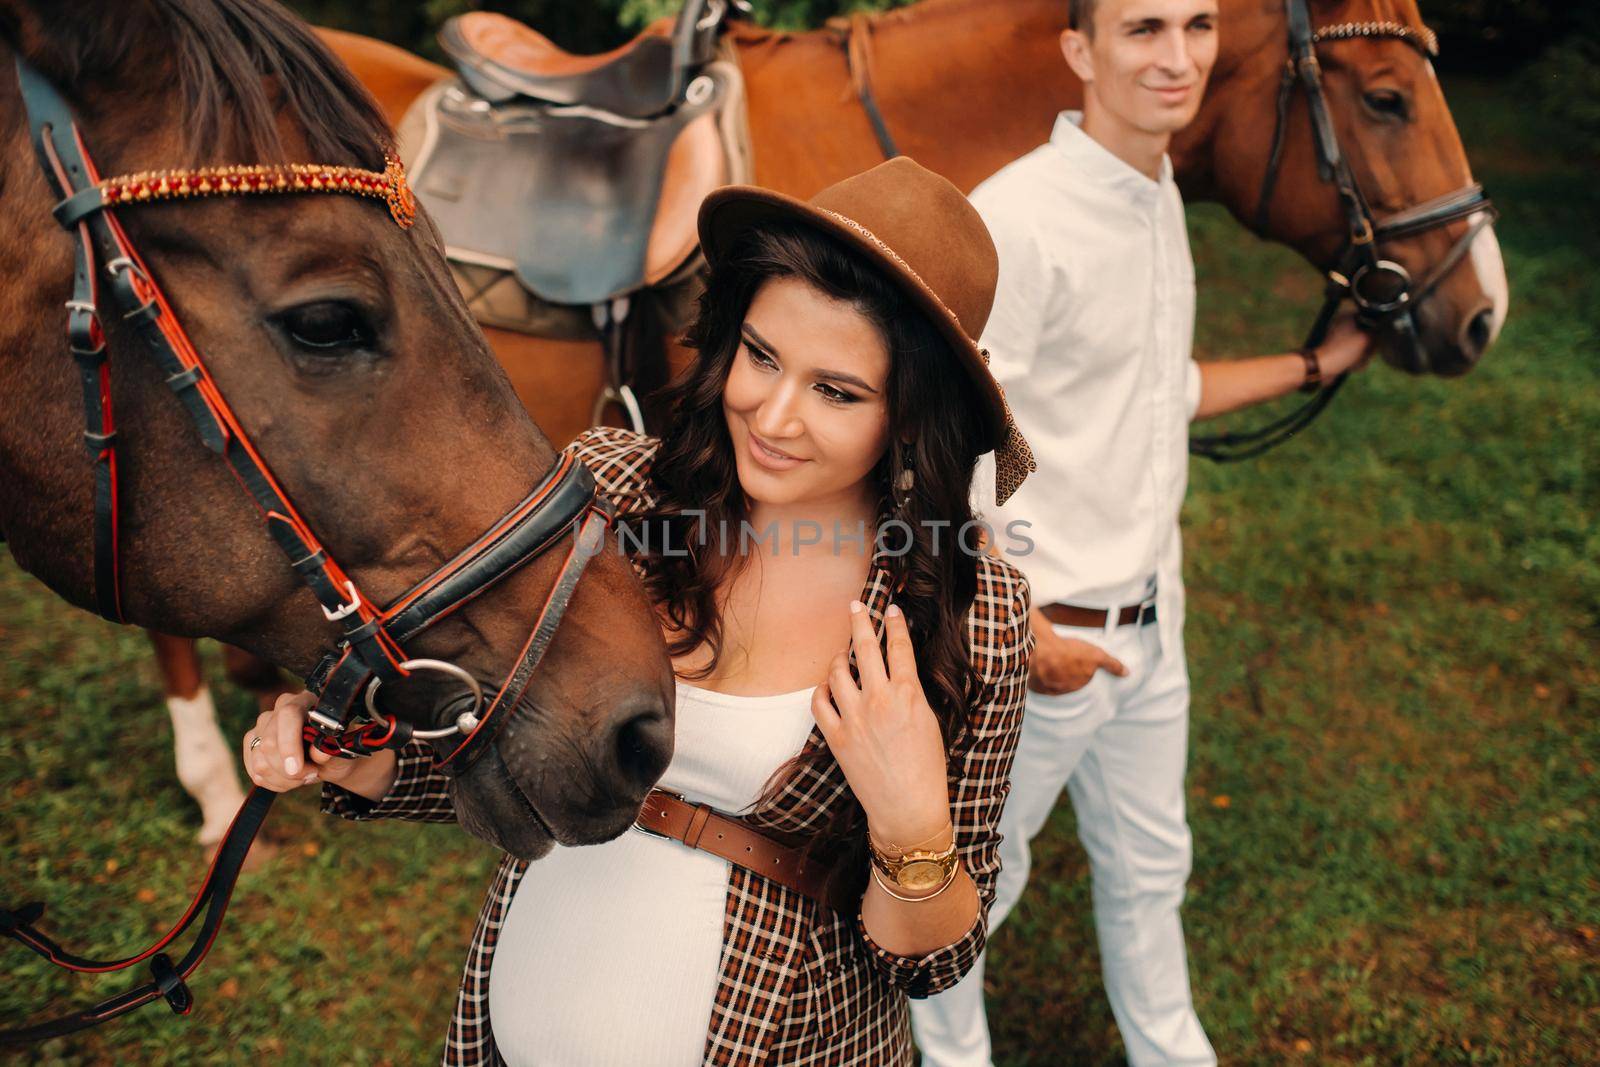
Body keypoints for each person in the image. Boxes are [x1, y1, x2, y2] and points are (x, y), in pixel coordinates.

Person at [243, 157, 1039, 1066]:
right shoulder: (614, 495)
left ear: (911, 419)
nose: (773, 415)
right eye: (763, 355)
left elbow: (930, 961)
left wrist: (911, 824)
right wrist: (371, 758)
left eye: (836, 391)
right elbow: (505, 740)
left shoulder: (967, 611)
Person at [909, 1, 1375, 1065]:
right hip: (1045, 651)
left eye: (1197, 25)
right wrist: (1020, 637)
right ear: (1080, 50)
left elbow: (1149, 390)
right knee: (970, 890)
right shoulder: (1018, 218)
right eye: (1142, 28)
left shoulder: (1154, 190)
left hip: (1149, 638)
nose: (1177, 58)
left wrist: (1314, 366)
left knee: (1152, 869)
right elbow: (949, 454)